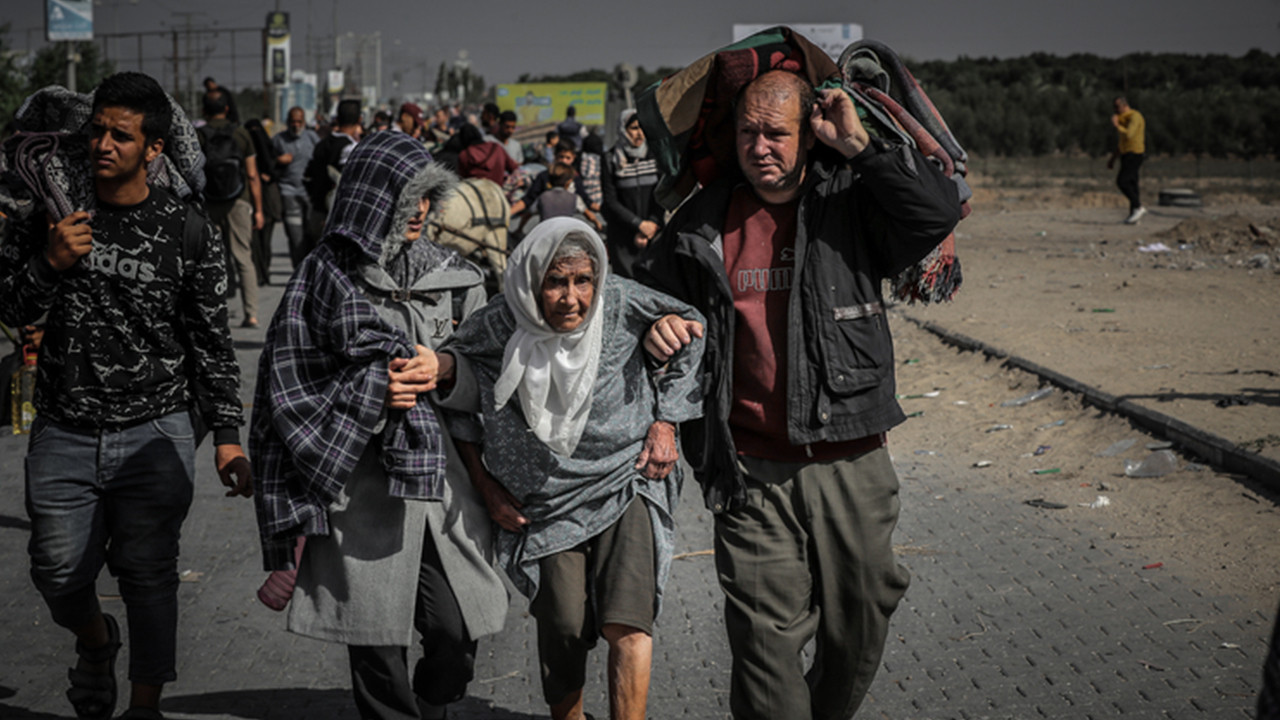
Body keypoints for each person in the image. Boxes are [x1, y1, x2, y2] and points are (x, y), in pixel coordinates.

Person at [637, 69, 962, 720]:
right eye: (748, 132)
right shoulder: (701, 220)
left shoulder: (850, 197)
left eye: (777, 133)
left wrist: (862, 147)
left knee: (862, 615)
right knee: (763, 641)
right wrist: (654, 328)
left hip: (851, 455)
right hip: (749, 468)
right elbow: (646, 301)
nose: (760, 146)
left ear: (807, 135)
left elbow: (936, 212)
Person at [0, 70, 251, 720]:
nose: (103, 144)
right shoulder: (52, 213)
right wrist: (46, 263)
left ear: (155, 148)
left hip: (156, 430)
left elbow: (210, 342)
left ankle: (144, 708)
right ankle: (94, 639)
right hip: (64, 427)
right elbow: (11, 309)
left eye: (121, 135)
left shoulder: (188, 229)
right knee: (57, 571)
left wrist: (226, 437)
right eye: (97, 131)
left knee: (148, 575)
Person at [250, 130, 508, 720]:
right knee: (375, 648)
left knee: (453, 631)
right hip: (358, 496)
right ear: (371, 197)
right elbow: (287, 385)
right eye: (404, 196)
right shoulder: (323, 278)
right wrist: (372, 389)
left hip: (444, 491)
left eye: (426, 196)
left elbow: (493, 371)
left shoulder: (457, 277)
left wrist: (445, 368)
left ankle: (434, 702)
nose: (418, 210)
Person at [429, 217, 705, 720]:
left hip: (627, 479)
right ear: (531, 279)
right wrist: (485, 484)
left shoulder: (619, 302)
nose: (572, 298)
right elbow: (455, 393)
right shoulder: (499, 321)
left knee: (629, 620)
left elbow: (692, 327)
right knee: (562, 624)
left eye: (583, 280)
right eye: (555, 281)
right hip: (546, 499)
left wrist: (667, 421)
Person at [199, 88, 264, 326]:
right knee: (243, 257)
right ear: (227, 109)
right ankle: (252, 314)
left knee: (210, 259)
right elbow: (252, 175)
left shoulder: (198, 135)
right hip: (239, 200)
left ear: (204, 110)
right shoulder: (241, 134)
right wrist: (258, 209)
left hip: (209, 201)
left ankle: (213, 312)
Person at [600, 110, 661, 279]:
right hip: (622, 237)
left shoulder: (655, 156)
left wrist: (652, 225)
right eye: (634, 128)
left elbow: (662, 195)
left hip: (653, 236)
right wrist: (638, 225)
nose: (639, 133)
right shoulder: (610, 159)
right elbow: (611, 201)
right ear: (623, 130)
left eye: (642, 127)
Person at [273, 106, 322, 268]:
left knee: (312, 234)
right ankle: (298, 269)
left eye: (299, 121)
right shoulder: (279, 140)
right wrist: (278, 161)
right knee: (296, 237)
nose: (296, 125)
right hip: (289, 192)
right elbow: (267, 164)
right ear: (288, 122)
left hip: (309, 194)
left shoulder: (312, 138)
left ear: (304, 122)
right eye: (293, 122)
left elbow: (322, 158)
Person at [303, 99, 362, 225]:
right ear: (359, 120)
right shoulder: (351, 148)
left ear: (337, 119)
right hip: (337, 218)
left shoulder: (321, 144)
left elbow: (309, 174)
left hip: (317, 212)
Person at [244, 117, 281, 286]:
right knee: (259, 241)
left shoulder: (268, 152)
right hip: (258, 200)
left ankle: (262, 271)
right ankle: (261, 272)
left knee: (262, 241)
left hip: (264, 200)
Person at [1106, 96, 1146, 224]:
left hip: (1135, 153)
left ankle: (1138, 206)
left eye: (1117, 107)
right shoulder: (1123, 119)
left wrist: (1117, 125)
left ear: (1124, 105)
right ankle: (1134, 215)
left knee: (1122, 181)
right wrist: (1113, 158)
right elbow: (1122, 142)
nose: (1116, 110)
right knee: (1133, 184)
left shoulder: (1135, 116)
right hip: (1125, 153)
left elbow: (1129, 134)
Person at [534, 162, 601, 229]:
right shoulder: (574, 197)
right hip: (565, 231)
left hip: (546, 231)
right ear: (568, 182)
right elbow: (588, 214)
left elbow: (530, 212)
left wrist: (523, 226)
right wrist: (597, 222)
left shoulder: (542, 197)